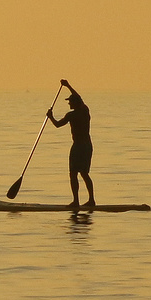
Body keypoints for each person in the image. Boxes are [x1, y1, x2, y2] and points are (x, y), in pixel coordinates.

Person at [47, 79, 95, 209]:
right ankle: (91, 200)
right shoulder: (85, 110)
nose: (68, 104)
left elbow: (57, 125)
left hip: (79, 146)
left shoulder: (71, 115)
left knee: (73, 173)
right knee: (84, 173)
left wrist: (50, 116)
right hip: (88, 146)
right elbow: (79, 97)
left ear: (75, 103)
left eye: (70, 102)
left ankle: (76, 201)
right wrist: (68, 86)